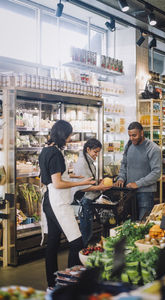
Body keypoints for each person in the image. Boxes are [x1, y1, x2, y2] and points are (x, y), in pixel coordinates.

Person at [39, 120, 95, 290]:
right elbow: (58, 183)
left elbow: (51, 177)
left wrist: (77, 178)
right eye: (70, 135)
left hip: (49, 201)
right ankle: (70, 283)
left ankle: (52, 284)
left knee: (53, 243)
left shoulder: (45, 150)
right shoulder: (55, 154)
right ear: (64, 135)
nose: (70, 138)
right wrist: (81, 183)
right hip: (58, 203)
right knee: (77, 242)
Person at [115, 121, 161, 220]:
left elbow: (156, 173)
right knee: (129, 224)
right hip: (129, 192)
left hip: (145, 193)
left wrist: (137, 183)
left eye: (134, 135)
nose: (131, 138)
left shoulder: (153, 148)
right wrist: (121, 177)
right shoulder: (129, 145)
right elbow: (124, 164)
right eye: (130, 135)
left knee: (143, 224)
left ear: (142, 133)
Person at [72, 138, 112, 247]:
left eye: (98, 152)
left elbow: (88, 180)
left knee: (88, 231)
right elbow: (82, 187)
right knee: (86, 232)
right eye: (95, 152)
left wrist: (97, 182)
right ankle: (81, 255)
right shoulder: (82, 163)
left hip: (89, 200)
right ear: (88, 149)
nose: (97, 154)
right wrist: (99, 187)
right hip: (85, 201)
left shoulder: (88, 161)